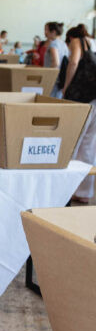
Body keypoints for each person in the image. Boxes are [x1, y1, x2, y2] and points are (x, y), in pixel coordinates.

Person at [63, 24, 96, 204]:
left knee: (73, 143)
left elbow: (74, 62)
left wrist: (66, 87)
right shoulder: (93, 41)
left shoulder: (77, 42)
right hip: (95, 97)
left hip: (82, 98)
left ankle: (67, 188)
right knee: (89, 146)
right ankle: (85, 192)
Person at [43, 21, 69, 98]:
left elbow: (56, 62)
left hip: (53, 79)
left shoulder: (53, 44)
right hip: (61, 78)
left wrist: (49, 77)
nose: (45, 32)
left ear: (53, 32)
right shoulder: (63, 44)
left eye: (46, 30)